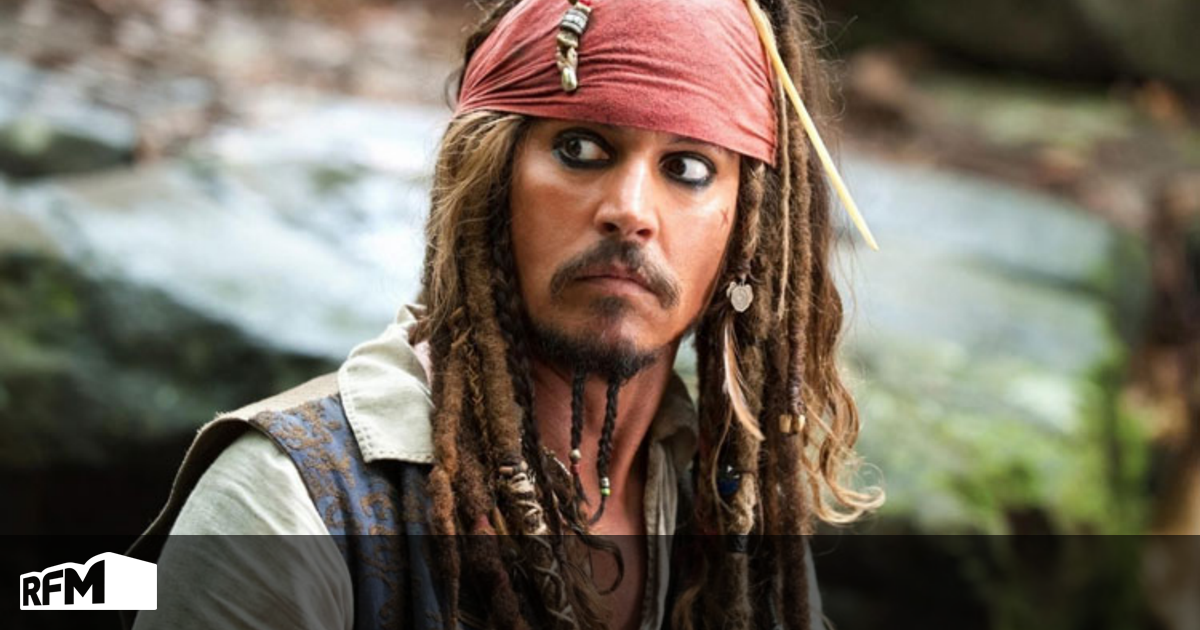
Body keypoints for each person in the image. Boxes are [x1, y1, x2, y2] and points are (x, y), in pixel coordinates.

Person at [125, 0, 883, 629]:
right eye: (581, 148)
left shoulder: (730, 516)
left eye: (687, 168)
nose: (630, 211)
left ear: (746, 232)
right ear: (490, 182)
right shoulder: (289, 505)